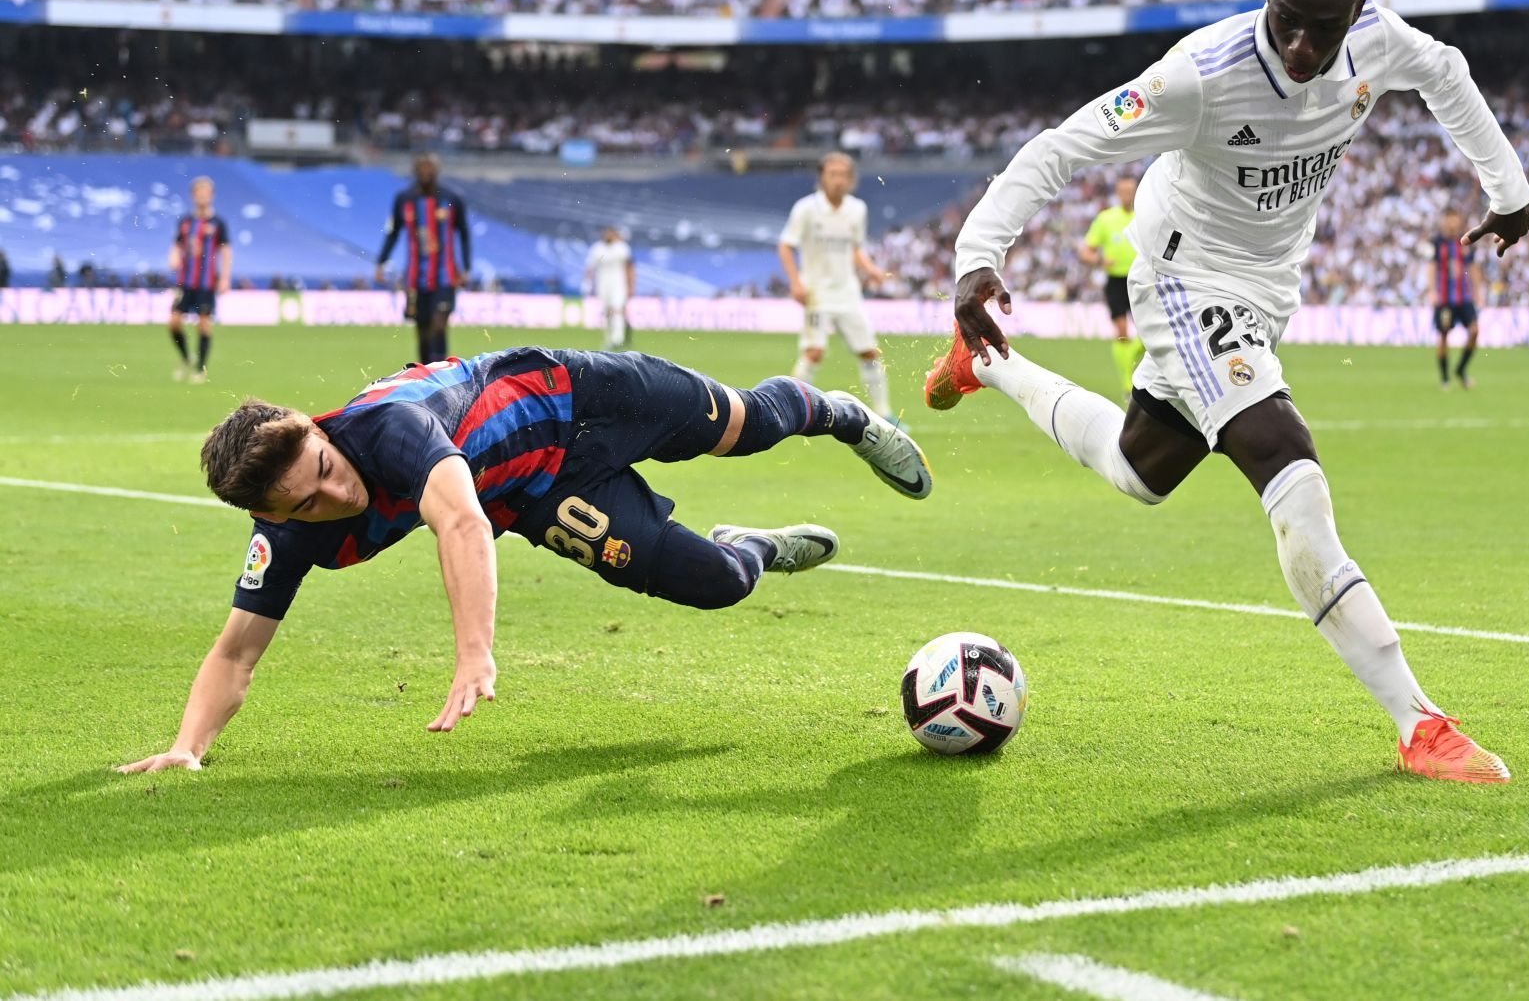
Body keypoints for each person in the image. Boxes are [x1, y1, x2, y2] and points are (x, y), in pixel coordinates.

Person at [924, 0, 1529, 784]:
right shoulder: (1200, 74)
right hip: (1184, 279)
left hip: (1267, 289)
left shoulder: (1377, 44)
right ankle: (1418, 721)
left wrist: (1510, 193)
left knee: (1143, 469)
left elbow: (1448, 74)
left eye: (1323, 28)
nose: (1300, 45)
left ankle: (984, 365)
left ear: (1357, 14)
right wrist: (977, 256)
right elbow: (1062, 147)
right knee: (1293, 471)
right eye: (1286, 19)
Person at [115, 347, 932, 774]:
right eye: (305, 503)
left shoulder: (390, 429)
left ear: (320, 431)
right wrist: (189, 746)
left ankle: (844, 415)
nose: (335, 496)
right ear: (268, 514)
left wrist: (475, 650)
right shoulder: (286, 536)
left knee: (748, 424)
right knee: (714, 584)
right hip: (537, 497)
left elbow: (461, 525)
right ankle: (750, 545)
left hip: (583, 396)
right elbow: (236, 651)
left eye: (325, 470)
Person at [779, 152, 894, 419]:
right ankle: (786, 408)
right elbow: (786, 245)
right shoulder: (806, 209)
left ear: (851, 179)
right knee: (814, 352)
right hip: (817, 292)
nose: (838, 180)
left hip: (848, 292)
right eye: (833, 174)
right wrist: (796, 282)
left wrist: (872, 269)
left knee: (870, 352)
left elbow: (855, 248)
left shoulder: (857, 209)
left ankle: (885, 414)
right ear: (822, 177)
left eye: (843, 174)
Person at [375, 154, 470, 365]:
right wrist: (381, 262)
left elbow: (464, 233)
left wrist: (466, 268)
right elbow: (393, 232)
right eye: (422, 169)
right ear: (415, 171)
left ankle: (441, 373)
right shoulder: (404, 199)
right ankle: (425, 374)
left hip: (446, 276)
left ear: (437, 171)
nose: (426, 173)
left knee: (439, 325)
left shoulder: (452, 199)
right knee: (423, 329)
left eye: (430, 169)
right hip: (415, 278)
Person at [1079, 176, 1146, 391]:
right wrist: (1100, 260)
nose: (1127, 195)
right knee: (1122, 332)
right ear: (1117, 193)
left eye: (1131, 191)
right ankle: (1127, 381)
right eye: (1123, 191)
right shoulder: (1106, 219)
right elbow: (1086, 251)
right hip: (1116, 281)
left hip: (1142, 280)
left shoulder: (1145, 216)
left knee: (1146, 332)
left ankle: (1137, 367)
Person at [167, 176, 231, 384]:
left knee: (204, 325)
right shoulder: (186, 222)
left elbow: (226, 250)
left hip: (207, 282)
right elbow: (177, 244)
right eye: (198, 192)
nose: (202, 195)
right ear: (193, 195)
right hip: (185, 281)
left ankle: (199, 368)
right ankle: (186, 357)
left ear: (211, 196)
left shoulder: (218, 223)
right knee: (174, 322)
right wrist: (174, 256)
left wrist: (225, 277)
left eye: (206, 192)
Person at [1432, 212, 1485, 389]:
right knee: (1444, 335)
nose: (1453, 224)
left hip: (1465, 299)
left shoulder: (1466, 243)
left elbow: (1473, 267)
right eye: (1450, 220)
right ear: (1445, 222)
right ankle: (1445, 378)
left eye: (1456, 220)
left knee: (1475, 331)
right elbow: (1431, 267)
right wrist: (1432, 291)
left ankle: (1461, 369)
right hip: (1445, 300)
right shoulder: (1437, 243)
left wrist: (1478, 292)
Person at [584, 225, 635, 350]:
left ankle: (618, 339)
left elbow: (629, 268)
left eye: (610, 233)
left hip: (618, 283)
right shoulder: (597, 248)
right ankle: (609, 339)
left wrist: (630, 286)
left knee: (617, 309)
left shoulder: (622, 248)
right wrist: (587, 284)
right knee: (607, 312)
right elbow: (590, 267)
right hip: (603, 284)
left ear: (614, 234)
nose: (608, 235)